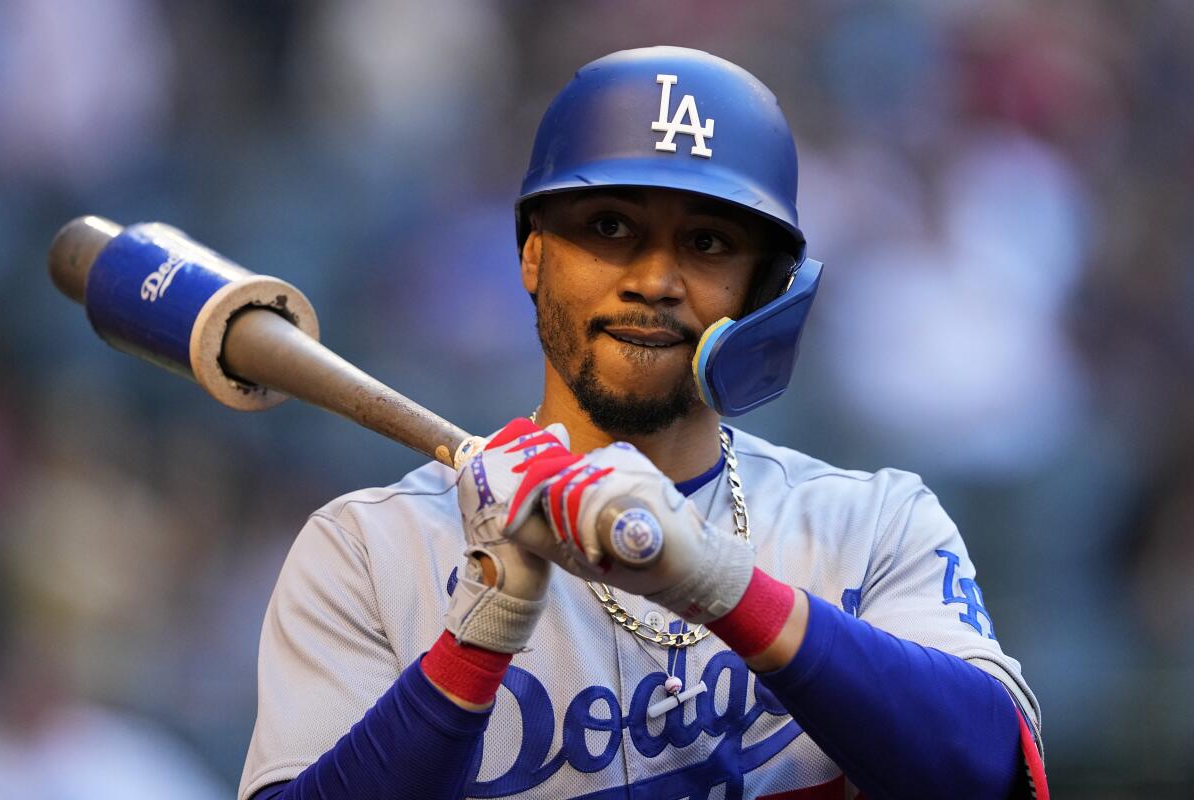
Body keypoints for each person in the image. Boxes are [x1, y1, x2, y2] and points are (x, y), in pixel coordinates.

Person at [238, 47, 1048, 800]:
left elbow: (991, 770)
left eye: (706, 242)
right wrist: (479, 634)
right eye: (610, 228)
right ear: (531, 255)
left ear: (762, 292)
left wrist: (720, 584)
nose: (655, 279)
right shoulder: (368, 552)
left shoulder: (871, 525)